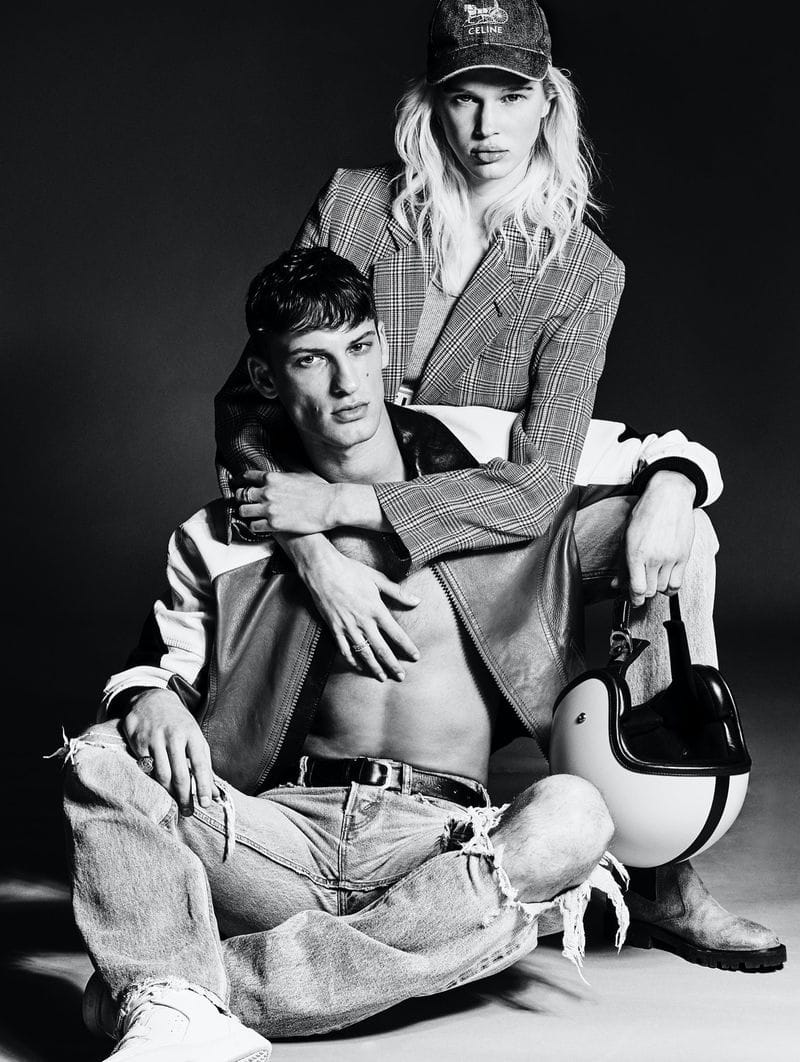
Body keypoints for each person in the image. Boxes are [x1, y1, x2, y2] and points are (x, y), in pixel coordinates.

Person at [212, 1, 783, 968]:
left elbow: (535, 486)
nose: (485, 126)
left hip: (491, 533)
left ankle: (659, 866)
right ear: (429, 101)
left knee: (688, 543)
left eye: (510, 97)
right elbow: (249, 405)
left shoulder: (581, 269)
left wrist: (675, 484)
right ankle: (307, 822)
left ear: (548, 101)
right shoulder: (357, 207)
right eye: (463, 97)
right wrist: (313, 548)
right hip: (339, 523)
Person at [61, 248, 643, 1061]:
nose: (347, 384)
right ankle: (416, 950)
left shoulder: (483, 462)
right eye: (311, 360)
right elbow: (158, 661)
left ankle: (178, 996)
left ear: (383, 349)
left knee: (575, 817)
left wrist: (678, 487)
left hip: (442, 843)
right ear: (265, 380)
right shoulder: (221, 537)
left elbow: (653, 453)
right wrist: (147, 697)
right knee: (99, 755)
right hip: (280, 838)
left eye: (361, 348)